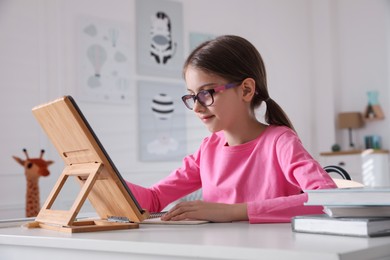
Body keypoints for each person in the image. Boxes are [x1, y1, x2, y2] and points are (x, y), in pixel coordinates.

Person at [126, 35, 337, 223]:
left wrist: (231, 212)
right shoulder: (208, 149)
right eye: (192, 96)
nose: (197, 107)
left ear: (246, 90)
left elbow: (328, 199)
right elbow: (153, 200)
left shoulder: (280, 141)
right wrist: (104, 178)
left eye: (206, 93)